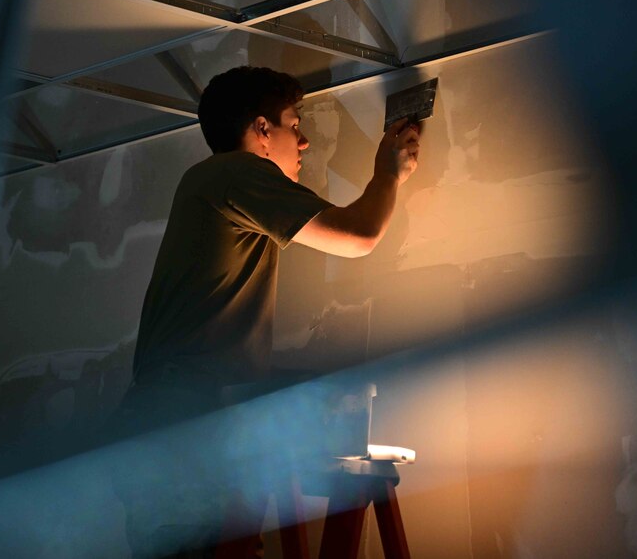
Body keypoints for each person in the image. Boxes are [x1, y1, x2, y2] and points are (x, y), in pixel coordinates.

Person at [111, 66, 420, 558]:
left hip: (176, 422)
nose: (303, 144)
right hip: (186, 426)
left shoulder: (215, 185)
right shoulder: (235, 172)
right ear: (260, 130)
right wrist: (388, 174)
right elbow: (359, 235)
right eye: (293, 126)